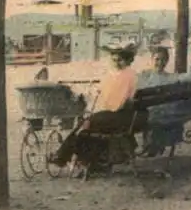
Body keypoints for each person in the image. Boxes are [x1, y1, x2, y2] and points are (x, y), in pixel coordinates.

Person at [50, 41, 145, 173]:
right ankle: (77, 158)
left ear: (128, 59)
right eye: (114, 60)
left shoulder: (128, 75)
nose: (117, 63)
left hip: (121, 117)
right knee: (85, 127)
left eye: (120, 60)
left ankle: (67, 156)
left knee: (86, 125)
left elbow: (118, 103)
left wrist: (99, 108)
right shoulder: (118, 74)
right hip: (119, 116)